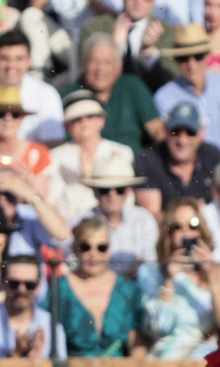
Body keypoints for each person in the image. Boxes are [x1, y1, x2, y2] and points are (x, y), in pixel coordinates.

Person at [138, 199, 220, 358]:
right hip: (165, 356)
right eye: (178, 226)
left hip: (203, 356)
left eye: (193, 225)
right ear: (169, 232)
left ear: (201, 231)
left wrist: (210, 272)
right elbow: (159, 329)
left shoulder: (218, 271)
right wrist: (169, 280)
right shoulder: (151, 272)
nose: (186, 232)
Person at [155, 25, 220, 157]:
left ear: (208, 55)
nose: (191, 64)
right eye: (184, 58)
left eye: (198, 56)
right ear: (175, 60)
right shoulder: (164, 97)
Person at [57, 215, 146, 357]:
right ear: (75, 248)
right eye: (85, 247)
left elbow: (137, 342)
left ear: (110, 249)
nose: (93, 254)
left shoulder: (127, 289)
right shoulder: (60, 289)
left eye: (101, 247)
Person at [68, 34, 165, 153]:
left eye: (107, 62)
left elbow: (156, 129)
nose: (100, 69)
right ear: (84, 65)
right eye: (95, 62)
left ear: (119, 67)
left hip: (132, 166)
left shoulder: (132, 86)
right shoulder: (71, 95)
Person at [46, 93, 136, 221]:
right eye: (77, 118)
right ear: (67, 126)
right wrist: (84, 181)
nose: (84, 121)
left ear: (102, 120)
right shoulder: (55, 156)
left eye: (90, 116)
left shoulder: (122, 151)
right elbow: (55, 203)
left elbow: (127, 198)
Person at [0, 253, 67, 359]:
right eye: (14, 284)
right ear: (2, 283)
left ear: (39, 287)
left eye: (30, 285)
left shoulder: (51, 325)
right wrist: (15, 358)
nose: (21, 290)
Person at [134, 101, 220, 214]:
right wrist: (193, 213)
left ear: (202, 132)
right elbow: (151, 217)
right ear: (165, 130)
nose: (182, 140)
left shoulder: (215, 158)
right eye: (176, 132)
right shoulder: (148, 160)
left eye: (190, 132)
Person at [79, 0, 179, 96]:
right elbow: (84, 71)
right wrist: (115, 47)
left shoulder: (167, 32)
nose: (138, 1)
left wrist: (148, 53)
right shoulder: (94, 28)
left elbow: (171, 79)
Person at [80, 157, 157, 275]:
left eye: (119, 189)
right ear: (95, 191)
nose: (112, 194)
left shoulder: (144, 219)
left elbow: (151, 265)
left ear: (129, 190)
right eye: (104, 189)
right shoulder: (79, 222)